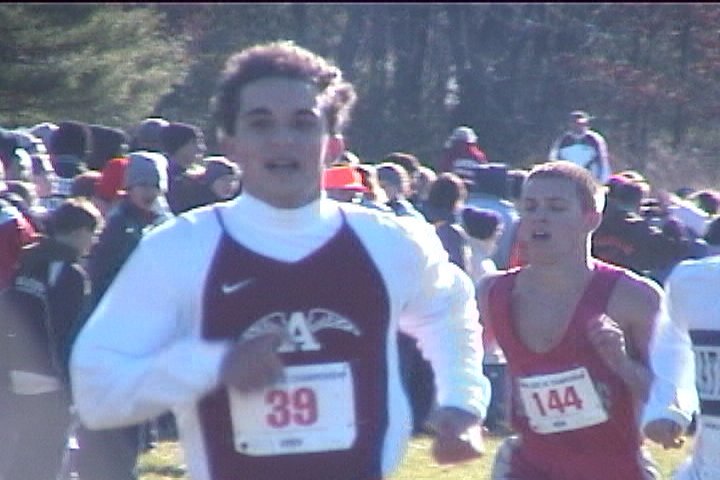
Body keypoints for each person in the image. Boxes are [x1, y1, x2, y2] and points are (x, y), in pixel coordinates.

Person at [70, 40, 490, 480]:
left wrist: (463, 401)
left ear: (333, 146)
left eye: (303, 123)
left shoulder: (391, 242)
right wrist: (214, 366)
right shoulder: (178, 249)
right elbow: (96, 390)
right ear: (230, 144)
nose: (282, 140)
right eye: (260, 123)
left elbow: (449, 309)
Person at [480, 161, 662, 479]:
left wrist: (622, 364)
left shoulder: (635, 298)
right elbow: (461, 363)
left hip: (614, 469)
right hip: (528, 467)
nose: (540, 217)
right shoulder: (493, 292)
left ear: (591, 219)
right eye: (530, 207)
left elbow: (672, 398)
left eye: (556, 207)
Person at [73, 151, 174, 480]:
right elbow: (104, 280)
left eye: (155, 185)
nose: (149, 192)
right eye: (142, 184)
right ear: (129, 188)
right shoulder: (120, 227)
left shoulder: (160, 222)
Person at [0, 197, 102, 480]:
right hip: (50, 379)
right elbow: (70, 331)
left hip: (12, 374)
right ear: (80, 231)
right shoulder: (72, 274)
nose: (92, 243)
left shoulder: (26, 262)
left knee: (19, 456)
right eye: (92, 234)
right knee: (47, 458)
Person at [549, 110, 611, 184]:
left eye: (581, 124)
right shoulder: (562, 141)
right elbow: (554, 161)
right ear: (570, 124)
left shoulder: (595, 140)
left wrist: (602, 182)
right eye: (575, 123)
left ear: (586, 124)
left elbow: (603, 162)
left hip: (590, 181)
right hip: (569, 181)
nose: (578, 126)